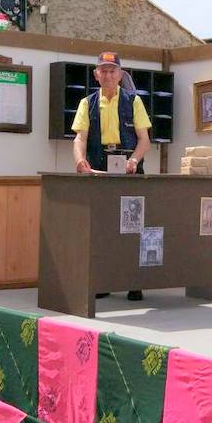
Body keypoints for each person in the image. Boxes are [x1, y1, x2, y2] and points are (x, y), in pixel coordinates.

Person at [72, 51, 151, 302]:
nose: (108, 75)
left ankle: (134, 282)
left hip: (129, 169)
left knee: (133, 226)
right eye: (103, 70)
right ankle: (103, 281)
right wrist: (79, 161)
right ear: (96, 75)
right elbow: (80, 138)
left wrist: (134, 160)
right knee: (102, 227)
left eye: (112, 70)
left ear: (120, 74)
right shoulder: (87, 103)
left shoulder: (134, 101)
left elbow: (144, 140)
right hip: (99, 169)